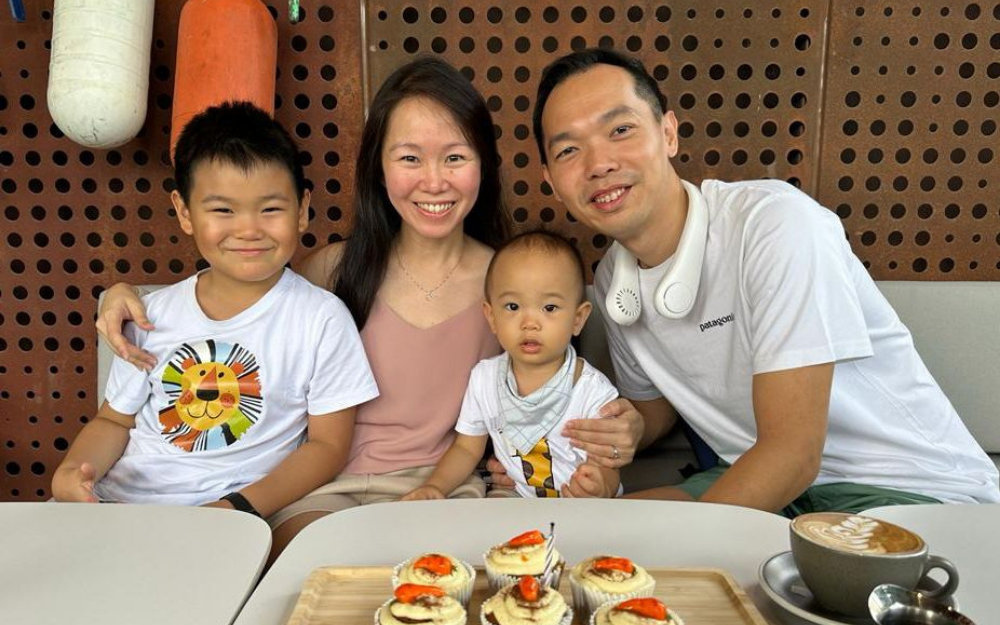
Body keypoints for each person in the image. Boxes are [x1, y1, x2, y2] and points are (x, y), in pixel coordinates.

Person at [95, 57, 644, 549]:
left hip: (446, 493)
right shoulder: (332, 270)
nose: (433, 181)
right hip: (324, 492)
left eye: (455, 157)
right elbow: (231, 302)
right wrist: (129, 297)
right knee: (316, 574)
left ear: (484, 165)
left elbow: (553, 393)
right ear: (378, 168)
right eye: (409, 157)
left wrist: (551, 456)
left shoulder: (513, 284)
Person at [530, 48, 1000, 514]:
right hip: (756, 477)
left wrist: (681, 548)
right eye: (569, 149)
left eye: (620, 130)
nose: (598, 163)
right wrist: (631, 428)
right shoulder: (615, 275)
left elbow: (794, 454)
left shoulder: (774, 224)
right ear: (551, 180)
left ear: (668, 133)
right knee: (590, 534)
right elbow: (654, 408)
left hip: (901, 487)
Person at [52, 103, 379, 535]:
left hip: (231, 514)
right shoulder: (151, 314)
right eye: (223, 210)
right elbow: (114, 421)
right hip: (118, 506)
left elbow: (327, 446)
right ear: (185, 212)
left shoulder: (319, 318)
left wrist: (236, 508)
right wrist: (72, 470)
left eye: (270, 209)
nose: (248, 229)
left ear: (302, 210)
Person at [404, 231, 621, 501]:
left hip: (579, 507)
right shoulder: (485, 378)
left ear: (578, 319)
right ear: (491, 317)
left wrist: (600, 486)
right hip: (514, 499)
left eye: (550, 308)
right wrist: (435, 487)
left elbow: (609, 464)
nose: (529, 322)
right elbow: (466, 449)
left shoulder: (592, 391)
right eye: (513, 306)